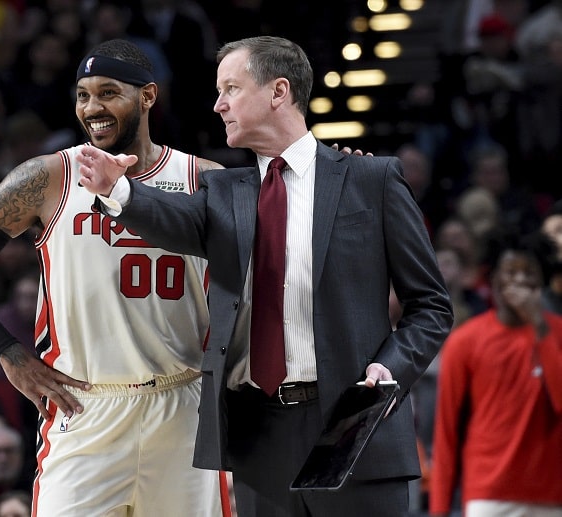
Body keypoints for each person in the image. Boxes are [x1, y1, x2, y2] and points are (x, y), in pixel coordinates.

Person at [78, 35, 454, 516]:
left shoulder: (372, 179)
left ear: (278, 92)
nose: (218, 105)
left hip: (356, 428)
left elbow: (431, 306)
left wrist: (390, 368)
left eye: (231, 89)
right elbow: (175, 220)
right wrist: (120, 191)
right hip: (260, 438)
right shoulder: (222, 189)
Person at [0, 39, 226, 516]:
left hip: (184, 407)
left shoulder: (204, 179)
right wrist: (7, 351)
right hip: (85, 407)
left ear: (147, 97)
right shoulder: (48, 178)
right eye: (82, 94)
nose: (92, 107)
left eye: (107, 92)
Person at [429, 231, 562, 517]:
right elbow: (447, 435)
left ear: (543, 280)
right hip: (488, 496)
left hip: (552, 496)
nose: (519, 280)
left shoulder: (557, 333)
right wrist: (439, 510)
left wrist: (539, 326)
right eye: (510, 271)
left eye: (529, 272)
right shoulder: (465, 341)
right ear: (493, 280)